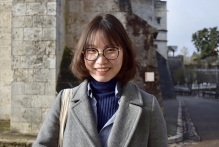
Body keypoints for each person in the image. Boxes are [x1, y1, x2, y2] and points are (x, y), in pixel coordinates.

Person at [33, 14, 168, 147]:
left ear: (124, 53)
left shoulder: (148, 106)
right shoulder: (64, 101)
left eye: (110, 50)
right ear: (83, 55)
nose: (101, 60)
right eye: (92, 50)